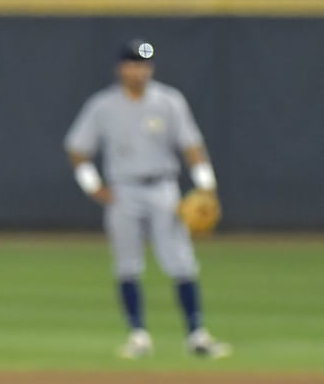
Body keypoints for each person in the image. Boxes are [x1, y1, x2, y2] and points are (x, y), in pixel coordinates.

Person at [64, 38, 232, 360]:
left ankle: (197, 334)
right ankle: (138, 335)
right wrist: (91, 185)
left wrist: (206, 184)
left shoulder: (169, 101)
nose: (139, 71)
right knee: (127, 264)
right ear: (121, 68)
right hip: (123, 190)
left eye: (145, 64)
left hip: (163, 188)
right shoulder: (103, 106)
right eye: (133, 64)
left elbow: (192, 146)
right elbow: (77, 148)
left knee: (181, 260)